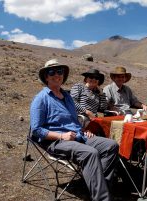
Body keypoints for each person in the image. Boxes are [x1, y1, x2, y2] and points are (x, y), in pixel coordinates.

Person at [30, 59, 119, 201]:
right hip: (56, 141)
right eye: (51, 72)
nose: (56, 75)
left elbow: (73, 120)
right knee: (90, 153)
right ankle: (102, 198)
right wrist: (61, 136)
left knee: (111, 146)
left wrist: (83, 130)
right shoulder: (41, 99)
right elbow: (36, 130)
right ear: (46, 77)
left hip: (78, 136)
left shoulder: (67, 96)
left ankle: (100, 186)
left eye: (60, 71)